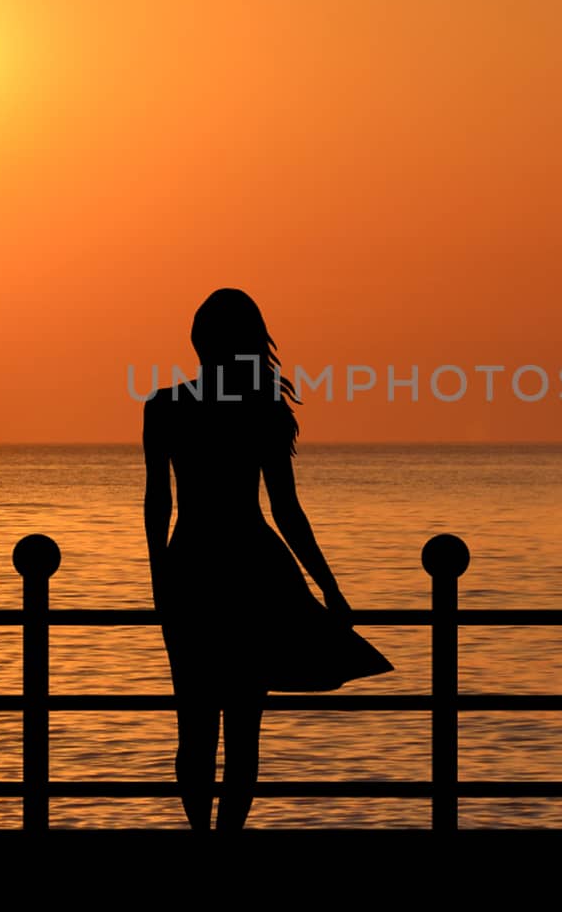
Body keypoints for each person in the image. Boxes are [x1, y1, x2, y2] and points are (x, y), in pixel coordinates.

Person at [143, 288, 393, 830]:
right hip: (254, 567)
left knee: (195, 724)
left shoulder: (164, 406)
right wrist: (329, 586)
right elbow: (286, 510)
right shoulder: (263, 411)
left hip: (191, 570)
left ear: (199, 341)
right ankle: (228, 838)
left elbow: (158, 503)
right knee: (243, 727)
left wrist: (159, 574)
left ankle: (202, 839)